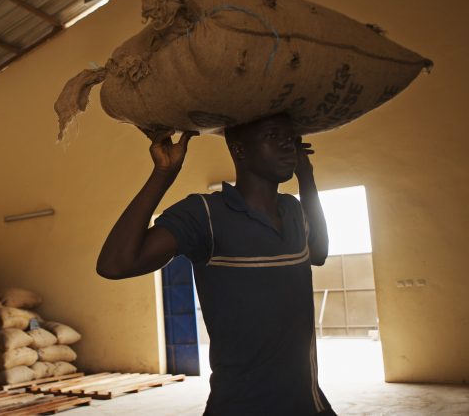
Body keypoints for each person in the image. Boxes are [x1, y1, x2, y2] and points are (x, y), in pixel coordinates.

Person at [96, 113, 336, 415]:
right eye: (273, 136)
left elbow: (319, 253)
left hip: (308, 403)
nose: (288, 144)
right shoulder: (205, 214)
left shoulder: (293, 209)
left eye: (291, 137)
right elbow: (115, 264)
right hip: (241, 406)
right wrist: (163, 174)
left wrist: (307, 177)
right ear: (239, 151)